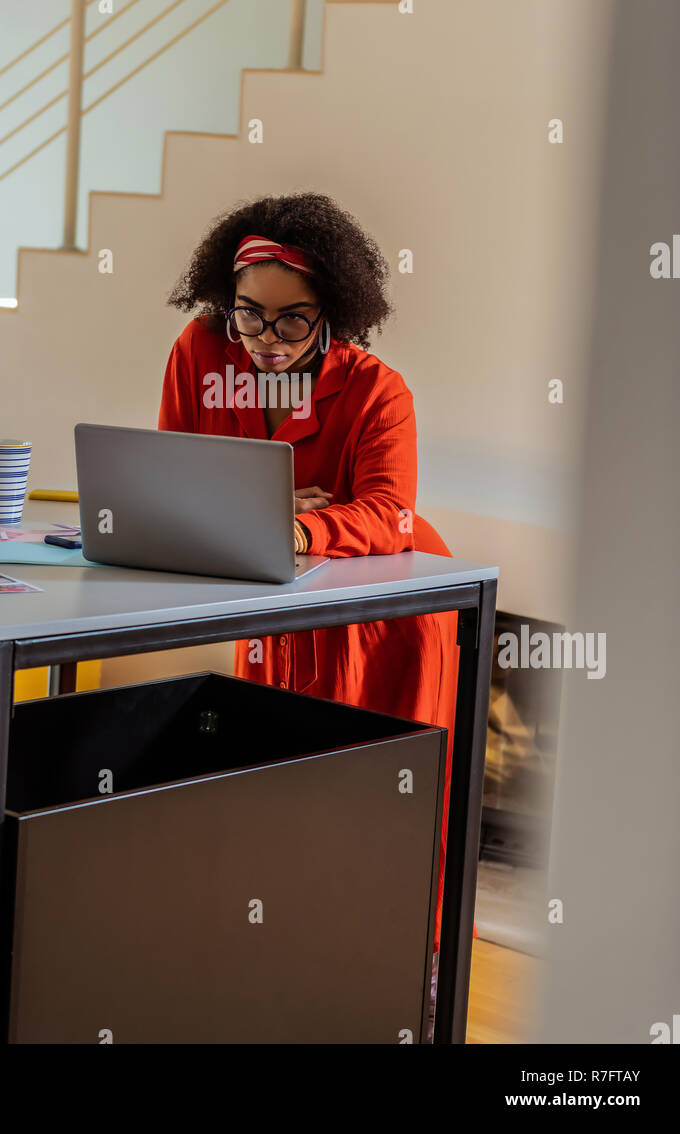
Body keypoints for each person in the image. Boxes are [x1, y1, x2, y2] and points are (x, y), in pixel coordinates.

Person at [158, 191, 469, 995]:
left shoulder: (377, 389)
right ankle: (282, 967)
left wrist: (285, 526)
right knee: (273, 781)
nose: (265, 340)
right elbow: (173, 480)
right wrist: (265, 512)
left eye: (292, 319)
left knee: (381, 800)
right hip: (273, 603)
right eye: (248, 316)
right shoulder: (200, 353)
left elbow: (389, 513)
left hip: (387, 618)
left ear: (335, 312)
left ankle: (411, 976)